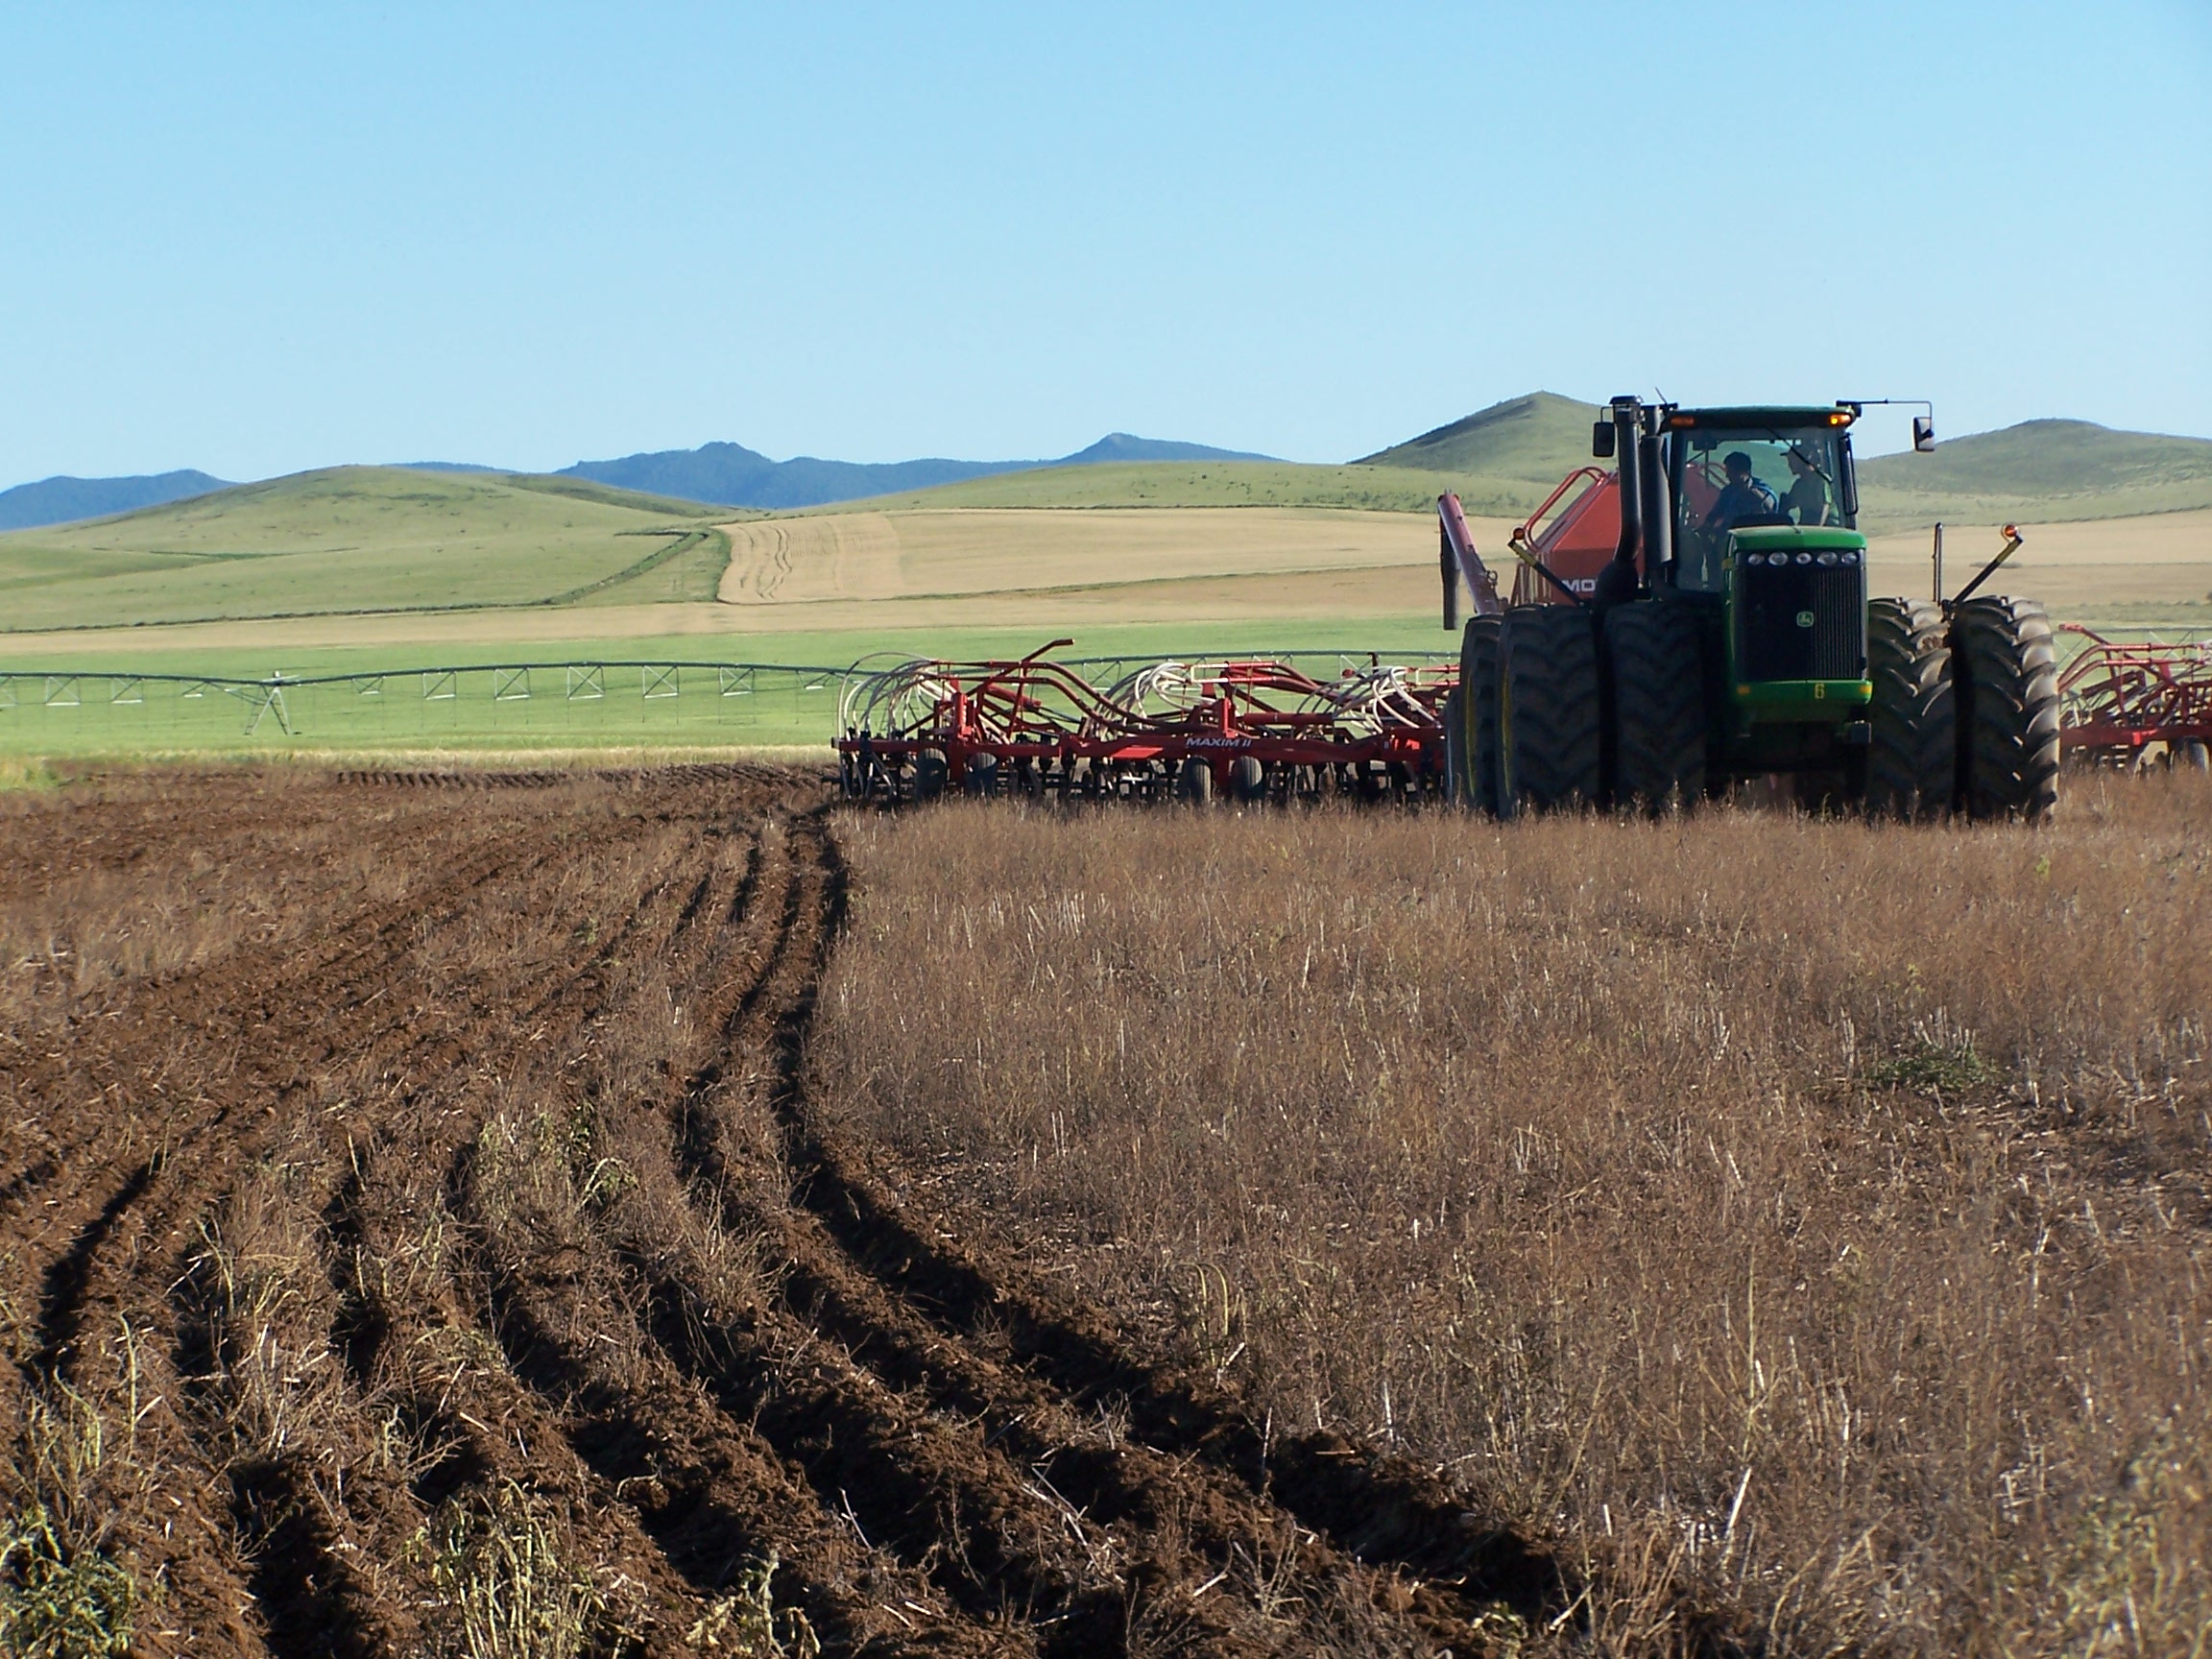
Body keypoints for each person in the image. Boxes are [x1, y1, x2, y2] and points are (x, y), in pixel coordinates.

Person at [1701, 450, 1778, 533]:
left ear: (1745, 472)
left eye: (1731, 472)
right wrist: (1705, 528)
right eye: (1728, 471)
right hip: (1728, 535)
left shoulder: (1762, 489)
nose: (1727, 475)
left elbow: (1769, 506)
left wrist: (1753, 493)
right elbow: (1715, 514)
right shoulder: (1728, 492)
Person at [1782, 447, 1837, 526]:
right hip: (1808, 526)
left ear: (1804, 460)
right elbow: (1789, 504)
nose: (1789, 465)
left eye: (1792, 461)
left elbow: (1825, 507)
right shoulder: (1799, 485)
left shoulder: (1821, 480)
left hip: (1829, 529)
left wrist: (1817, 531)